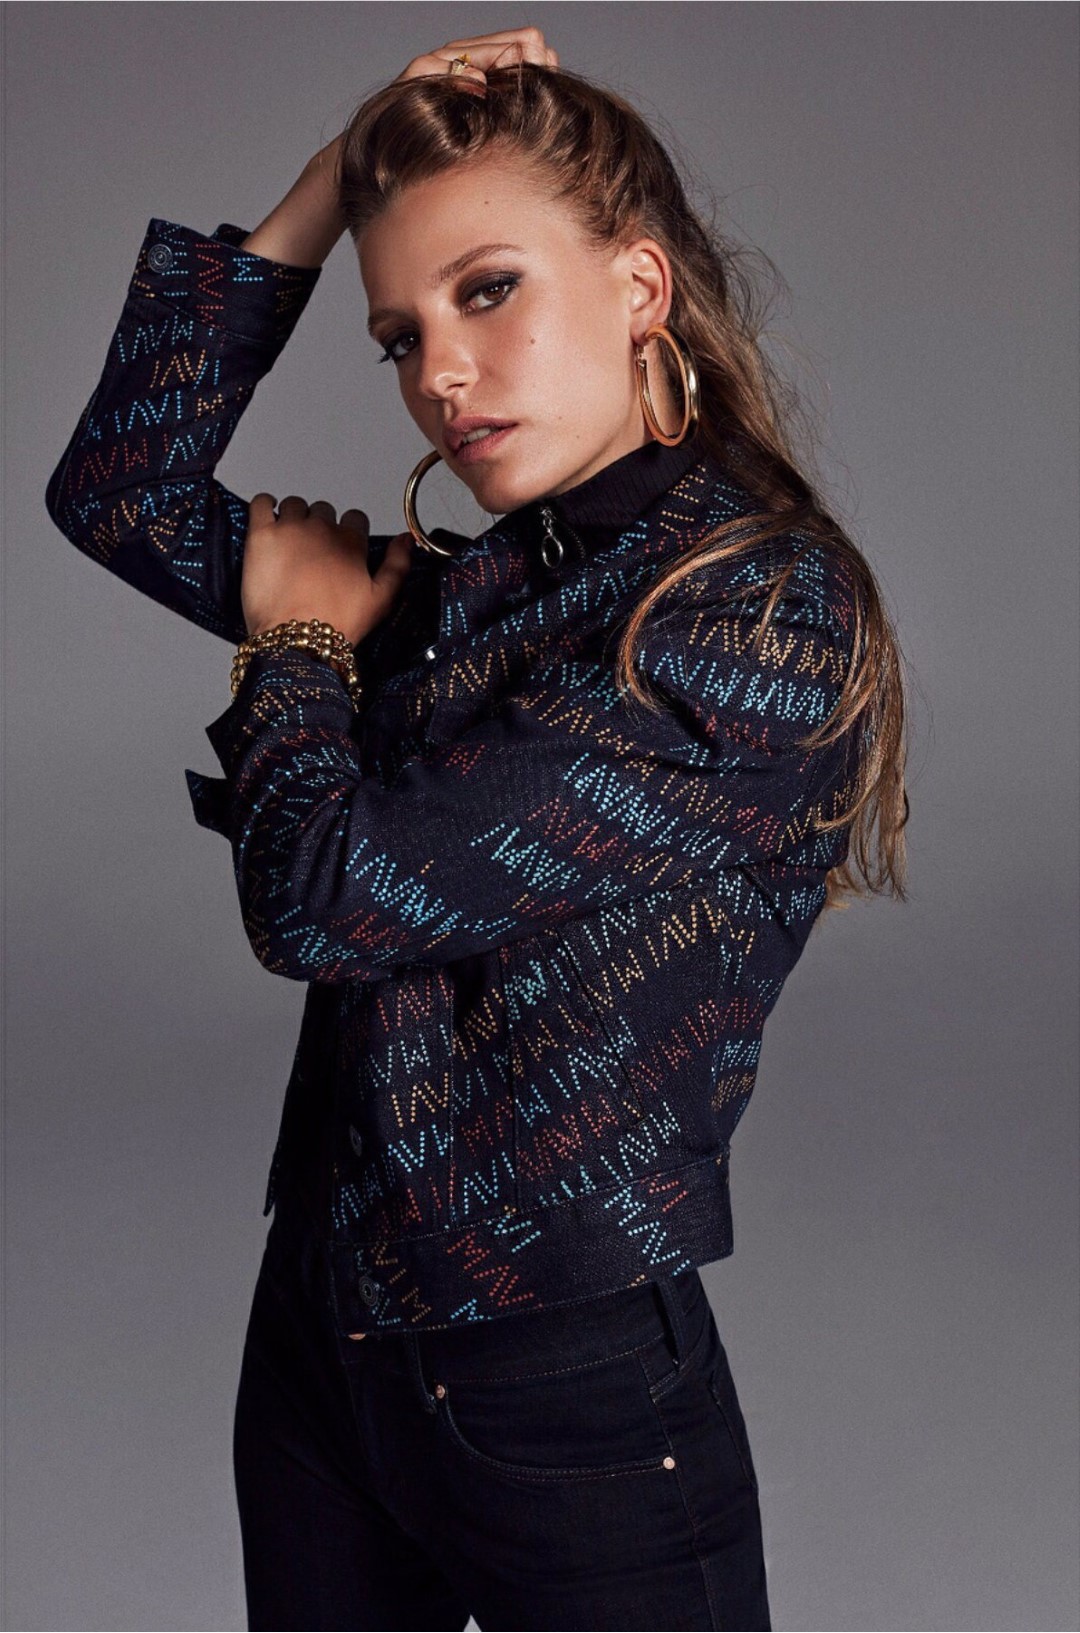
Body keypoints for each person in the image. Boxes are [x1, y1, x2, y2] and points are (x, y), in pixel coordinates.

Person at [44, 26, 909, 1632]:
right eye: (400, 334)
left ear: (640, 286)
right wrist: (331, 181)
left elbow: (327, 896)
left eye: (488, 291)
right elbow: (119, 487)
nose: (439, 372)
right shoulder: (478, 589)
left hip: (560, 1382)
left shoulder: (752, 611)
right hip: (327, 1339)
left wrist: (304, 647)